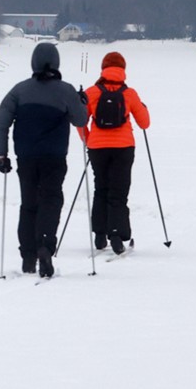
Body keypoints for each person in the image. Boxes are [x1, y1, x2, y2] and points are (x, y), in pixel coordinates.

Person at [0, 41, 90, 277]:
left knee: (29, 204)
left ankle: (28, 256)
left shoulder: (19, 91)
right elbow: (80, 120)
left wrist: (2, 154)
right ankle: (45, 245)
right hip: (54, 157)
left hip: (26, 156)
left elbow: (2, 123)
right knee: (51, 199)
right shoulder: (66, 90)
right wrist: (81, 102)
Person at [81, 50, 152, 256]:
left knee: (101, 188)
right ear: (123, 69)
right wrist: (143, 108)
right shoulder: (129, 94)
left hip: (97, 148)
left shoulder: (92, 92)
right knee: (119, 192)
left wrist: (88, 138)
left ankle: (100, 234)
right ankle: (117, 235)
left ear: (103, 68)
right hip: (123, 147)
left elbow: (79, 120)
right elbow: (144, 123)